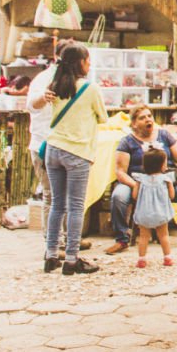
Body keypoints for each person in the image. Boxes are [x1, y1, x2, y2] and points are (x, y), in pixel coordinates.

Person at [43, 44, 108, 275]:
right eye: (88, 60)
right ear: (81, 63)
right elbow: (103, 117)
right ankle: (71, 259)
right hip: (77, 152)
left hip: (53, 150)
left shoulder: (55, 86)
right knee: (76, 206)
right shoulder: (90, 88)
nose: (89, 64)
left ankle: (50, 256)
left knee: (57, 205)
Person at [106, 106, 177, 255]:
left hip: (164, 181)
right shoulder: (127, 142)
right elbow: (120, 172)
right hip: (136, 182)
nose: (148, 119)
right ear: (133, 124)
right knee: (118, 197)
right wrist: (138, 186)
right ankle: (121, 239)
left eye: (149, 116)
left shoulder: (164, 136)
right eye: (142, 118)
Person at [27, 41, 89, 256]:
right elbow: (31, 104)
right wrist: (43, 98)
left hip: (66, 145)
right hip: (45, 145)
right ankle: (53, 244)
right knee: (52, 197)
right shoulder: (44, 79)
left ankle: (68, 241)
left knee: (68, 198)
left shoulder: (78, 82)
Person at [131, 149, 176, 268]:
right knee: (164, 235)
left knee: (143, 236)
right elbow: (172, 196)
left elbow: (134, 196)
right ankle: (167, 258)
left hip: (144, 214)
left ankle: (141, 259)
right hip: (161, 213)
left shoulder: (140, 179)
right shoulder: (166, 179)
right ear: (161, 165)